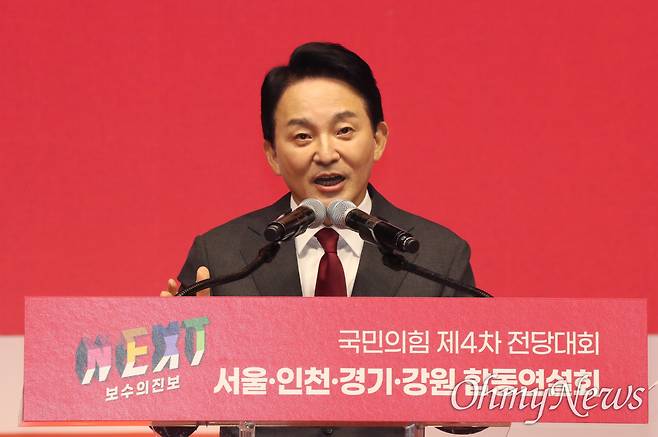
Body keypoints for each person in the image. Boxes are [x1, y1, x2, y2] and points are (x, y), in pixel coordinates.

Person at [156, 42, 477, 437]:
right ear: (273, 154)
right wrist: (177, 359)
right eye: (303, 136)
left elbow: (472, 413)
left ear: (378, 139)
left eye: (344, 131)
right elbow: (171, 426)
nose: (326, 153)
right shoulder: (221, 255)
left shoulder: (437, 254)